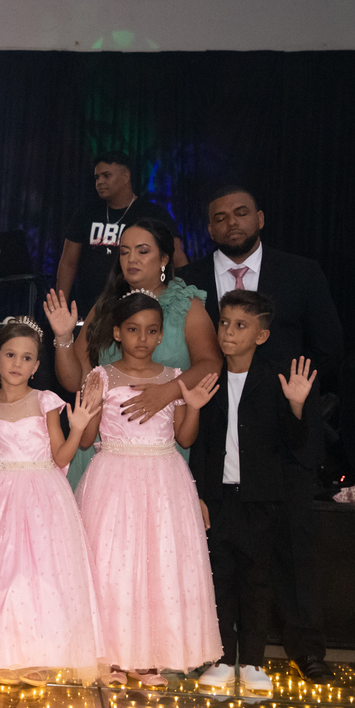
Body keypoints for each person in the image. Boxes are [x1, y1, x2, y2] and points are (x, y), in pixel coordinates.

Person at [177, 186, 344, 685]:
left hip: (283, 432)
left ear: (261, 218)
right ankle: (216, 650)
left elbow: (329, 345)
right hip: (216, 431)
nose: (231, 222)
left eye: (241, 213)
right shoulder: (189, 281)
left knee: (293, 545)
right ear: (209, 227)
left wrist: (292, 400)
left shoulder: (301, 272)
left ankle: (305, 648)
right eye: (220, 217)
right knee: (221, 559)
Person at [0, 318, 104, 688]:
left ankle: (33, 655)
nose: (17, 363)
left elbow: (60, 457)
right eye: (10, 355)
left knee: (36, 577)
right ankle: (2, 656)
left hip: (42, 497)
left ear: (36, 366)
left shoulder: (45, 402)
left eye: (27, 358)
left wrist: (77, 428)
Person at [74, 290, 222, 687]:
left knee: (158, 564)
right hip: (114, 478)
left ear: (160, 335)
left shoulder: (174, 377)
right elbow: (86, 440)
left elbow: (185, 438)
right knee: (114, 564)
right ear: (117, 333)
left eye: (152, 331)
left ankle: (146, 655)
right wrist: (86, 411)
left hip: (163, 479)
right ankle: (111, 656)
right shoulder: (101, 376)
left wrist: (193, 407)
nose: (143, 338)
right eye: (133, 329)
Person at [191, 291, 319, 697]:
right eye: (224, 323)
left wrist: (297, 407)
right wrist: (199, 494)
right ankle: (222, 658)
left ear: (261, 336)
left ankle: (252, 662)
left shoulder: (277, 380)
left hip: (262, 500)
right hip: (219, 498)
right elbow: (202, 446)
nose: (228, 332)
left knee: (257, 581)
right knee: (220, 579)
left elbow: (298, 446)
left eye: (240, 326)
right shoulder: (210, 379)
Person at [46, 218, 221, 487]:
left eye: (142, 251)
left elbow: (211, 364)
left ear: (164, 259)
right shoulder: (107, 306)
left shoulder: (185, 305)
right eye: (125, 252)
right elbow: (73, 381)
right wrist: (63, 338)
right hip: (102, 451)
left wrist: (167, 392)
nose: (131, 259)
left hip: (160, 449)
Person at [56, 150, 189, 317]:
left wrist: (184, 303)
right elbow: (68, 262)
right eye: (97, 177)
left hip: (140, 309)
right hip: (90, 309)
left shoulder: (153, 213)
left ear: (126, 177)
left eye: (106, 176)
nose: (100, 182)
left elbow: (178, 260)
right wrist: (60, 306)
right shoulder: (86, 212)